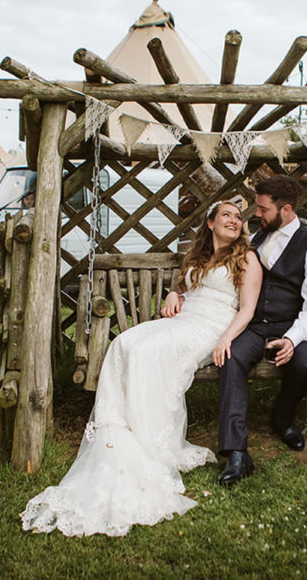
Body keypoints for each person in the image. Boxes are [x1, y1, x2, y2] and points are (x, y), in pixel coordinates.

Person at [20, 200, 262, 536]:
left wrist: (226, 339)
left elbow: (247, 309)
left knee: (151, 351)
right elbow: (189, 290)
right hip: (185, 320)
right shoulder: (199, 256)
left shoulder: (247, 259)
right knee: (125, 343)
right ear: (210, 223)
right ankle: (123, 427)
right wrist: (175, 296)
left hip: (212, 329)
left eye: (237, 217)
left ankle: (152, 439)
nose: (234, 220)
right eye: (226, 215)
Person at [215, 175, 307, 486]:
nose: (257, 214)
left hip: (292, 324)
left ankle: (283, 417)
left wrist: (291, 339)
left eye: (263, 209)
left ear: (287, 209)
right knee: (231, 358)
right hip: (255, 325)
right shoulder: (257, 238)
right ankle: (236, 451)